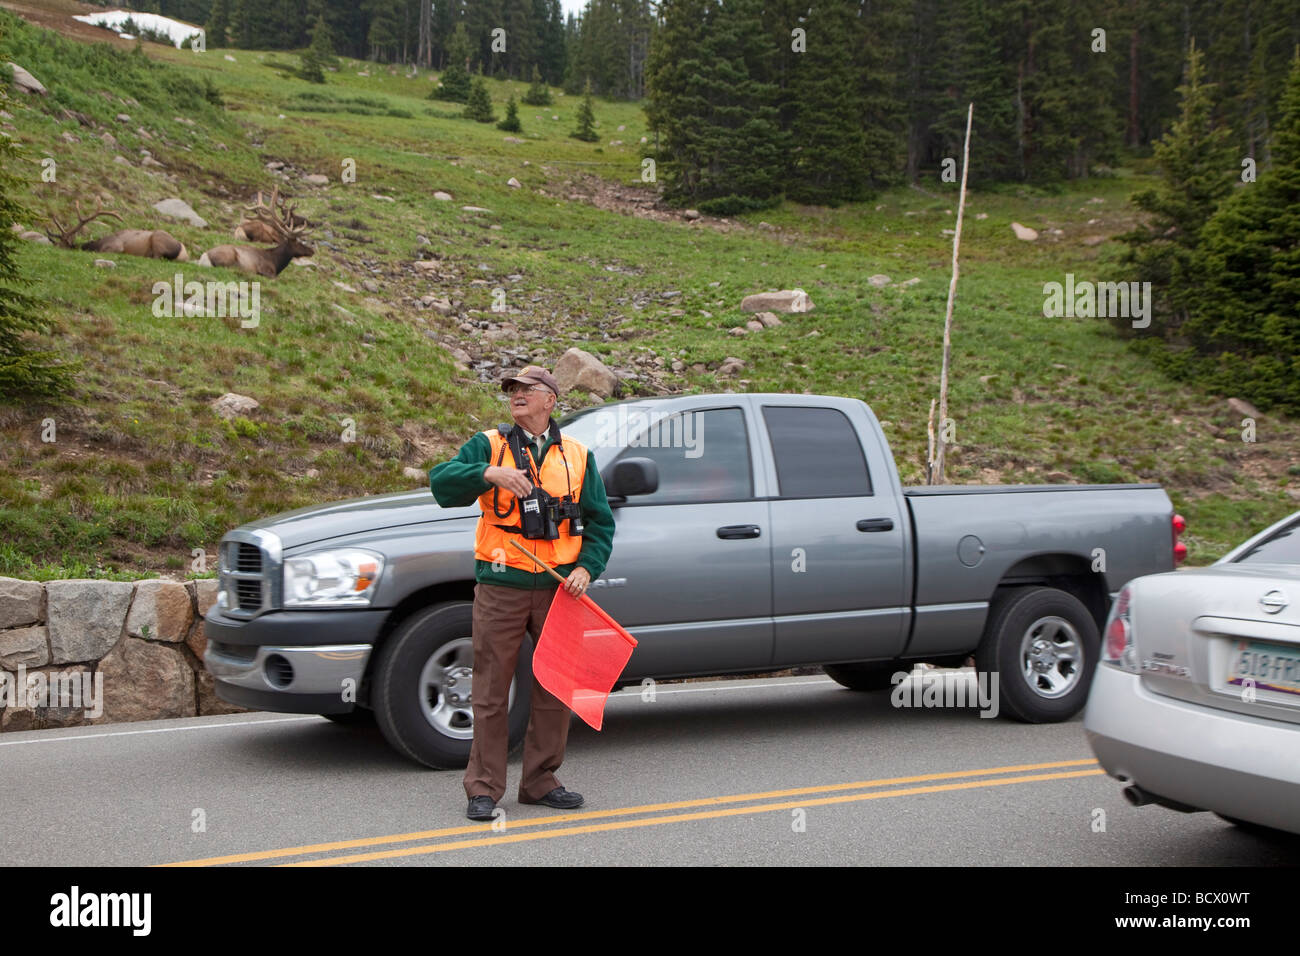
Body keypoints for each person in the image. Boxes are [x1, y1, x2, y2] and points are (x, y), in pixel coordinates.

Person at [428, 366, 615, 821]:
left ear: (550, 400)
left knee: (555, 686)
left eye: (526, 390)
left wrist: (587, 569)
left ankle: (541, 781)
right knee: (491, 689)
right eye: (511, 390)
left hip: (559, 589)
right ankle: (484, 788)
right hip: (501, 585)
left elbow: (601, 522)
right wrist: (489, 473)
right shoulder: (488, 444)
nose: (516, 396)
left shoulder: (578, 454)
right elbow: (441, 484)